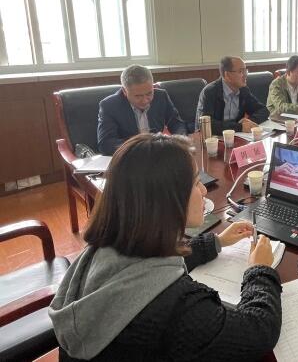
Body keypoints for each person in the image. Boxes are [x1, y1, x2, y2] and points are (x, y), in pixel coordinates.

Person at [49, 134, 281, 361]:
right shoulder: (181, 308)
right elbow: (258, 331)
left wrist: (216, 242)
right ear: (166, 200)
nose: (203, 190)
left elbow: (146, 268)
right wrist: (259, 270)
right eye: (195, 183)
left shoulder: (104, 248)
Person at [97, 65, 186, 155]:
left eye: (149, 93)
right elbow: (106, 144)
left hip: (158, 154)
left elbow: (176, 123)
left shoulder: (161, 96)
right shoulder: (109, 105)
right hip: (131, 156)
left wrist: (180, 139)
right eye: (138, 96)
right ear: (124, 91)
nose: (145, 100)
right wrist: (144, 146)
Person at [195, 56, 269, 135]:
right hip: (212, 138)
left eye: (245, 71)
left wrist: (249, 122)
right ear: (227, 75)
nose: (245, 75)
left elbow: (263, 110)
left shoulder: (243, 90)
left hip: (236, 136)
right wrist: (239, 127)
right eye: (241, 71)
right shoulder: (210, 92)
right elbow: (207, 125)